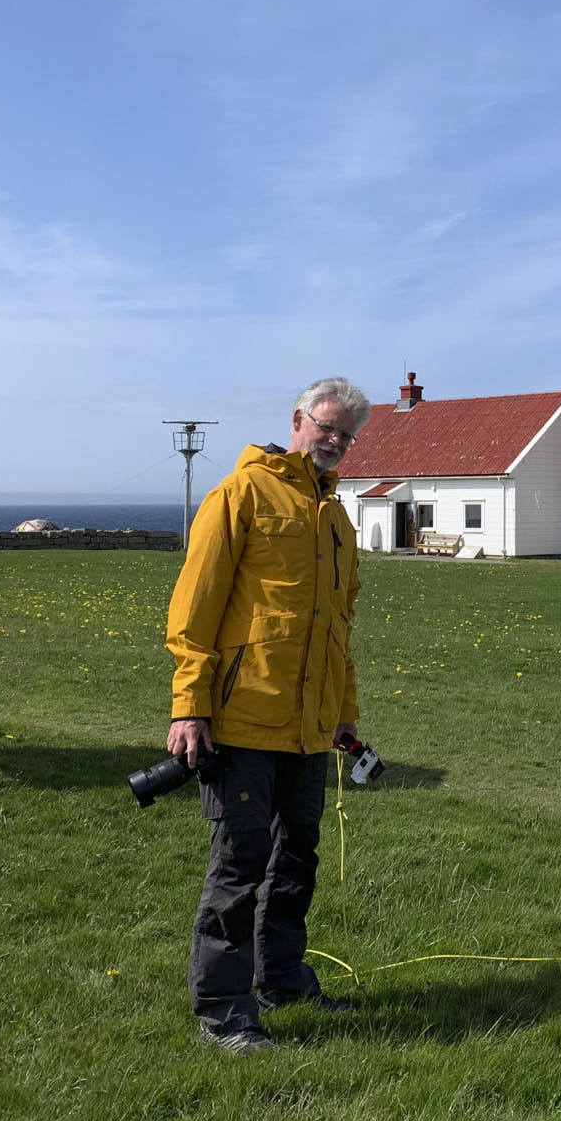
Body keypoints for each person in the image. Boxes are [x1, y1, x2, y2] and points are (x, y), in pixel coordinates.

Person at [165, 376, 371, 1052]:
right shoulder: (242, 492)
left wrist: (343, 714)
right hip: (243, 717)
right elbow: (194, 610)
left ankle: (282, 980)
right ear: (298, 420)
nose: (335, 441)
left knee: (297, 861)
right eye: (328, 426)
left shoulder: (338, 519)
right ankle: (224, 1009)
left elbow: (337, 627)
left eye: (346, 434)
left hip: (310, 728)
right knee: (240, 862)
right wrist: (190, 705)